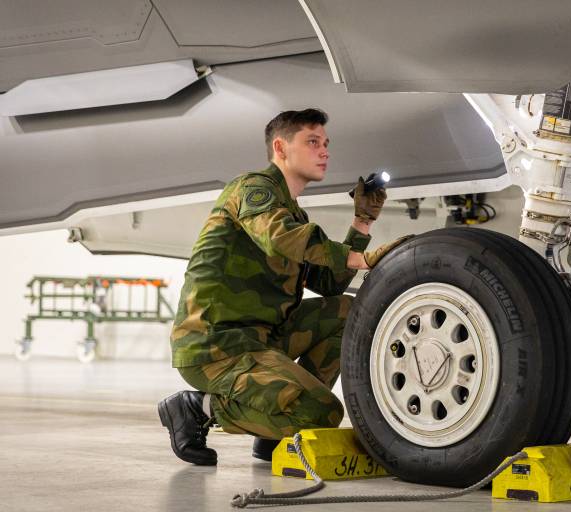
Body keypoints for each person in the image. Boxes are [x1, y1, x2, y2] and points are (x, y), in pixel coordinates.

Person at [157, 108, 409, 465]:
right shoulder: (252, 189)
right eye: (312, 142)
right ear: (281, 147)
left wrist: (362, 222)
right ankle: (196, 407)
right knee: (321, 414)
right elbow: (280, 238)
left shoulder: (294, 215)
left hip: (261, 338)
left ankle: (272, 431)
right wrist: (364, 260)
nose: (325, 152)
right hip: (216, 345)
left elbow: (329, 284)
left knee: (348, 312)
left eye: (325, 144)